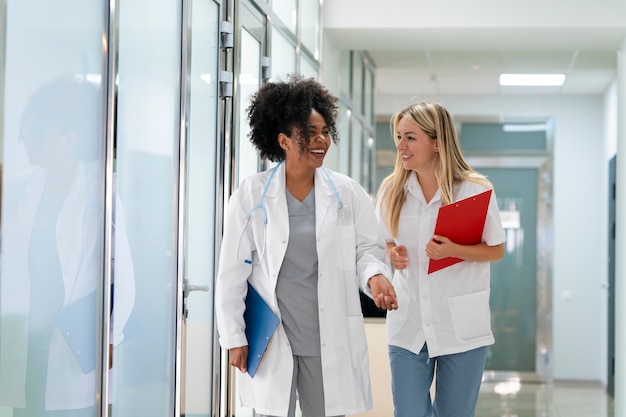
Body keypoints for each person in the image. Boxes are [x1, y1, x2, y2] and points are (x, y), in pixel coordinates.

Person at [215, 76, 398, 417]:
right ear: (283, 140)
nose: (321, 140)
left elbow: (367, 250)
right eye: (309, 132)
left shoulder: (347, 192)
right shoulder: (252, 195)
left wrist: (375, 277)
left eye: (325, 131)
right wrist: (233, 336)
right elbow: (232, 270)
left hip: (325, 335)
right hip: (272, 336)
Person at [0, 76, 136, 416]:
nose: (24, 140)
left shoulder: (102, 195)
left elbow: (124, 276)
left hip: (75, 344)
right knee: (27, 407)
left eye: (35, 133)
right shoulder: (19, 190)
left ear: (69, 138)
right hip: (28, 339)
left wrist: (111, 335)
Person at [375, 101, 506, 417]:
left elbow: (496, 250)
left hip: (460, 328)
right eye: (398, 136)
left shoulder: (474, 189)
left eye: (410, 137)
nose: (400, 146)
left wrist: (454, 250)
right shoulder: (392, 190)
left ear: (436, 142)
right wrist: (393, 253)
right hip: (409, 325)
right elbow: (381, 242)